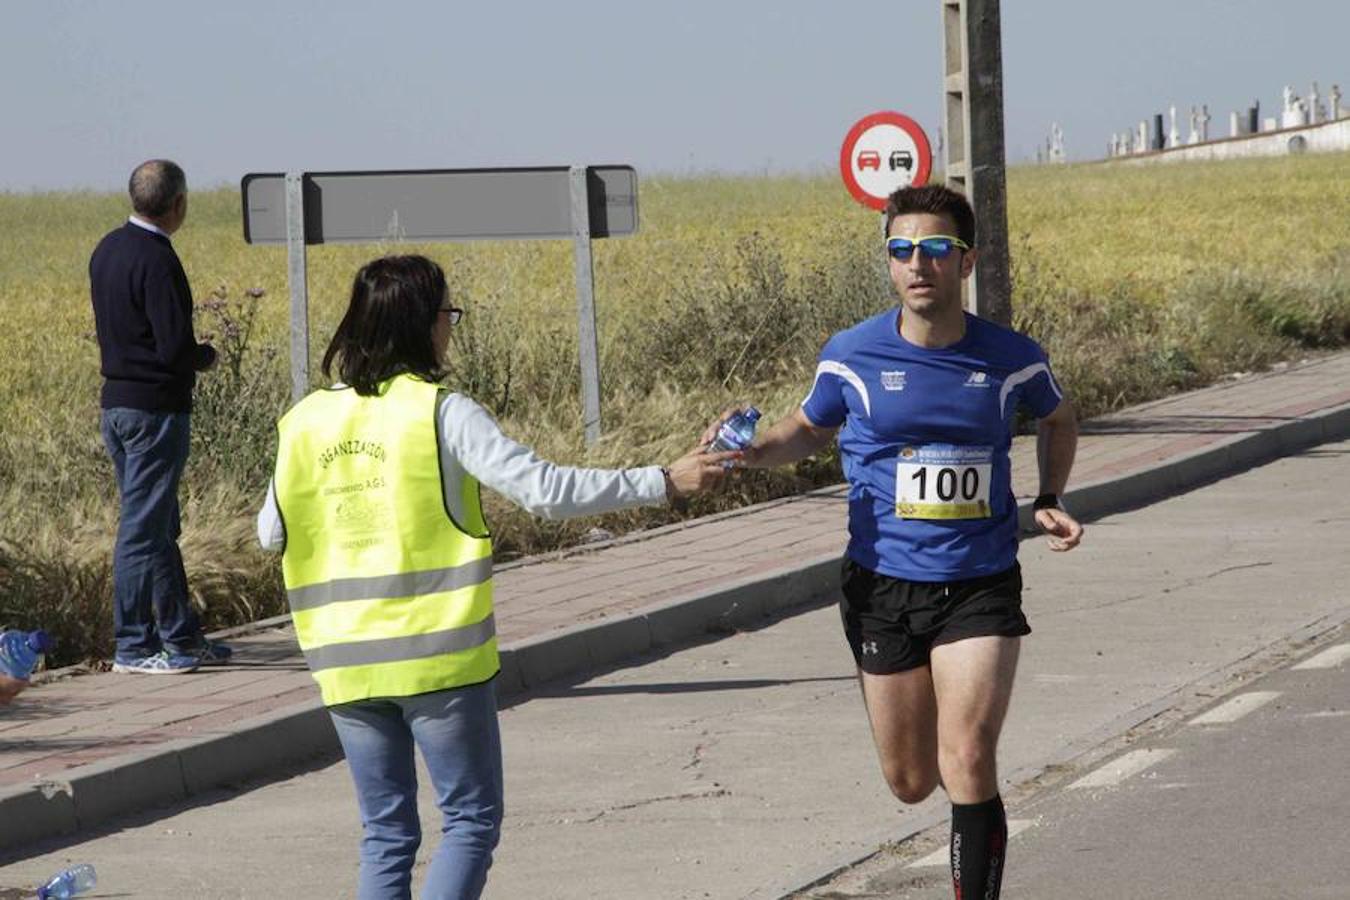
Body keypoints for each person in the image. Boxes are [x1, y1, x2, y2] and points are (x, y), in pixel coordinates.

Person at [256, 254, 736, 900]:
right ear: (423, 326)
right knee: (470, 819)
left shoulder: (304, 423)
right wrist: (662, 482)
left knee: (385, 832)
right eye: (447, 313)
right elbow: (543, 490)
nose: (450, 327)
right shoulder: (441, 413)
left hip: (343, 663)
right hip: (437, 658)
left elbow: (270, 534)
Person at [709, 184, 1083, 899]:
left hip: (981, 581)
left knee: (968, 756)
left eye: (936, 249)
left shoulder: (1011, 357)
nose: (919, 264)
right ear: (889, 263)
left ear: (965, 262)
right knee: (912, 781)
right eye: (902, 250)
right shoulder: (852, 353)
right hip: (882, 584)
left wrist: (1049, 497)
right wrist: (753, 452)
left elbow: (1058, 418)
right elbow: (811, 427)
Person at [90, 159, 231, 675]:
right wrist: (206, 357)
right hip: (155, 411)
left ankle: (182, 637)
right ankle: (132, 644)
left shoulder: (107, 248)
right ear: (178, 203)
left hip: (118, 405)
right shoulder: (157, 259)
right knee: (142, 531)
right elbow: (172, 347)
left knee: (157, 524)